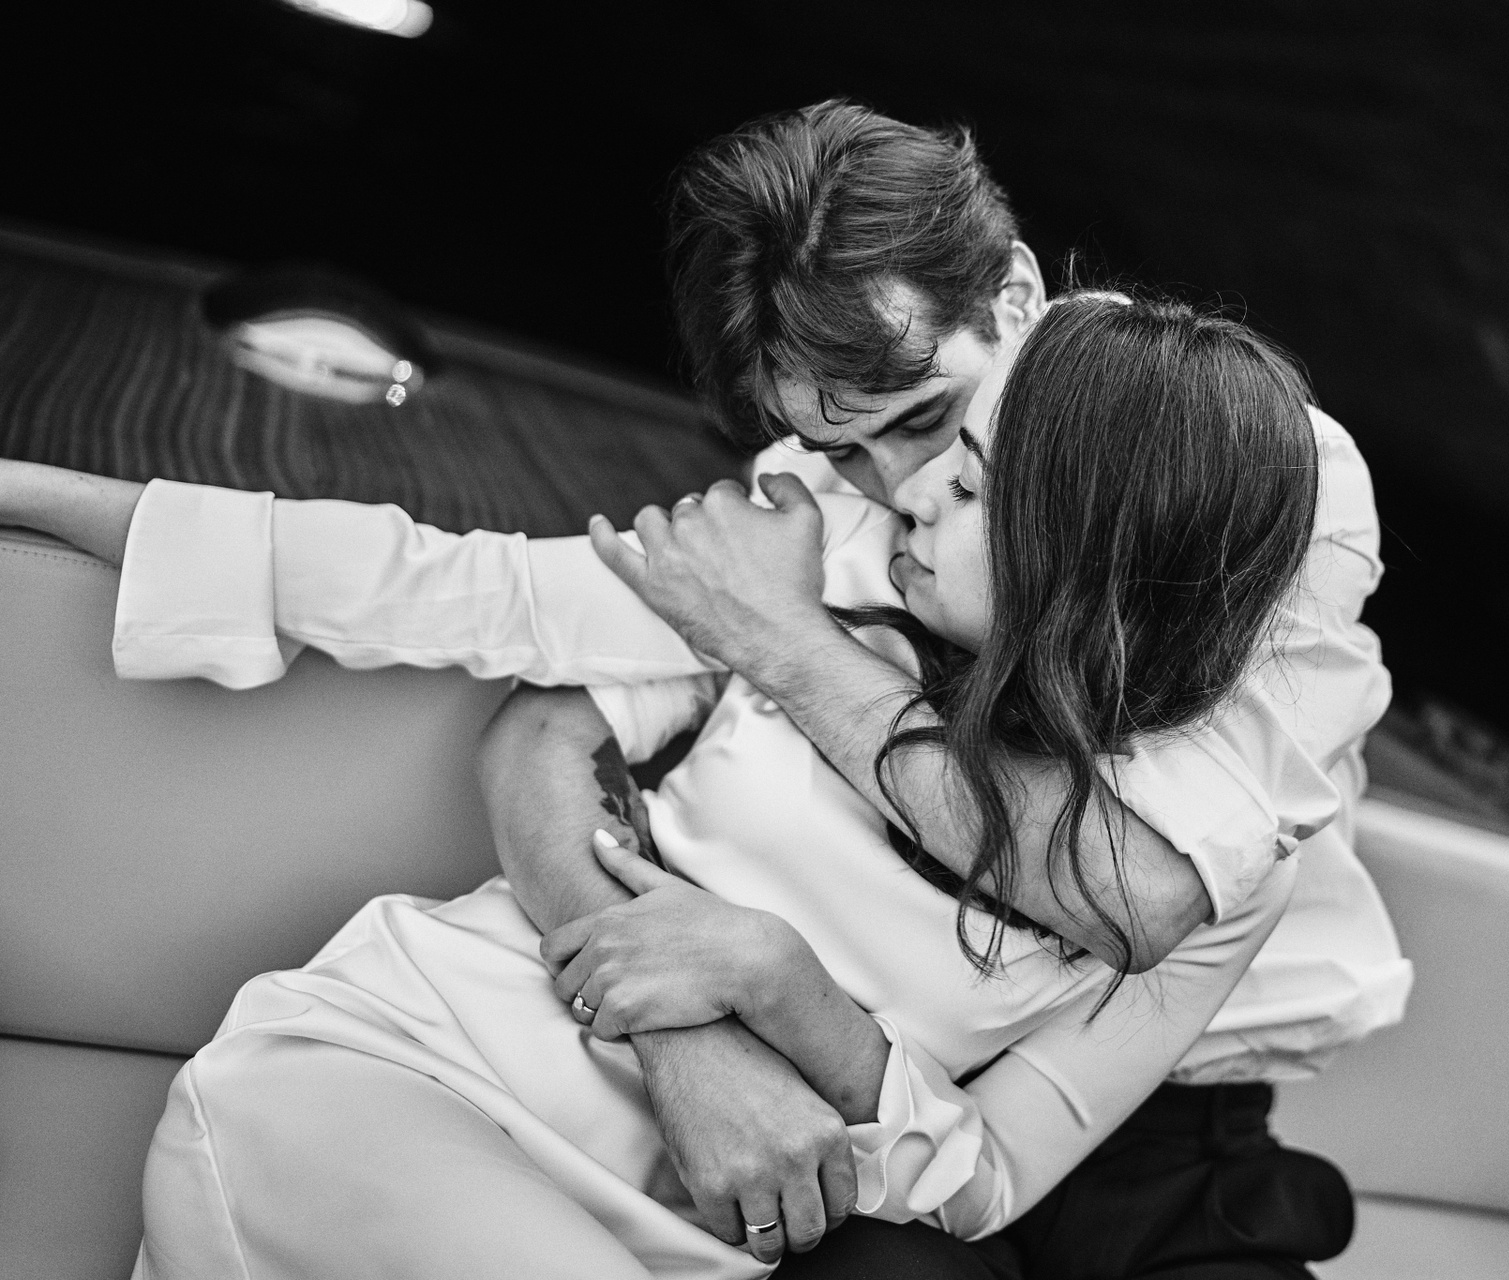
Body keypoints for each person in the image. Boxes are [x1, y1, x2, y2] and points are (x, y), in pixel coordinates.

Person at [0, 292, 1351, 1278]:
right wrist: (42, 495)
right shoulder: (807, 573)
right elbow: (450, 595)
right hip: (408, 1078)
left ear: (1086, 554)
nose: (912, 492)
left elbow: (986, 1173)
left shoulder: (1204, 870)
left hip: (691, 1239)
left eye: (973, 483)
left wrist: (784, 984)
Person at [472, 102, 1408, 1275]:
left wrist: (785, 641)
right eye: (844, 447)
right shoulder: (824, 466)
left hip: (1167, 1106)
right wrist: (684, 1032)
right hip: (853, 1063)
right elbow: (546, 729)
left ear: (1016, 297)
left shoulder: (1247, 460)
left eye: (929, 419)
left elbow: (1134, 898)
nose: (898, 485)